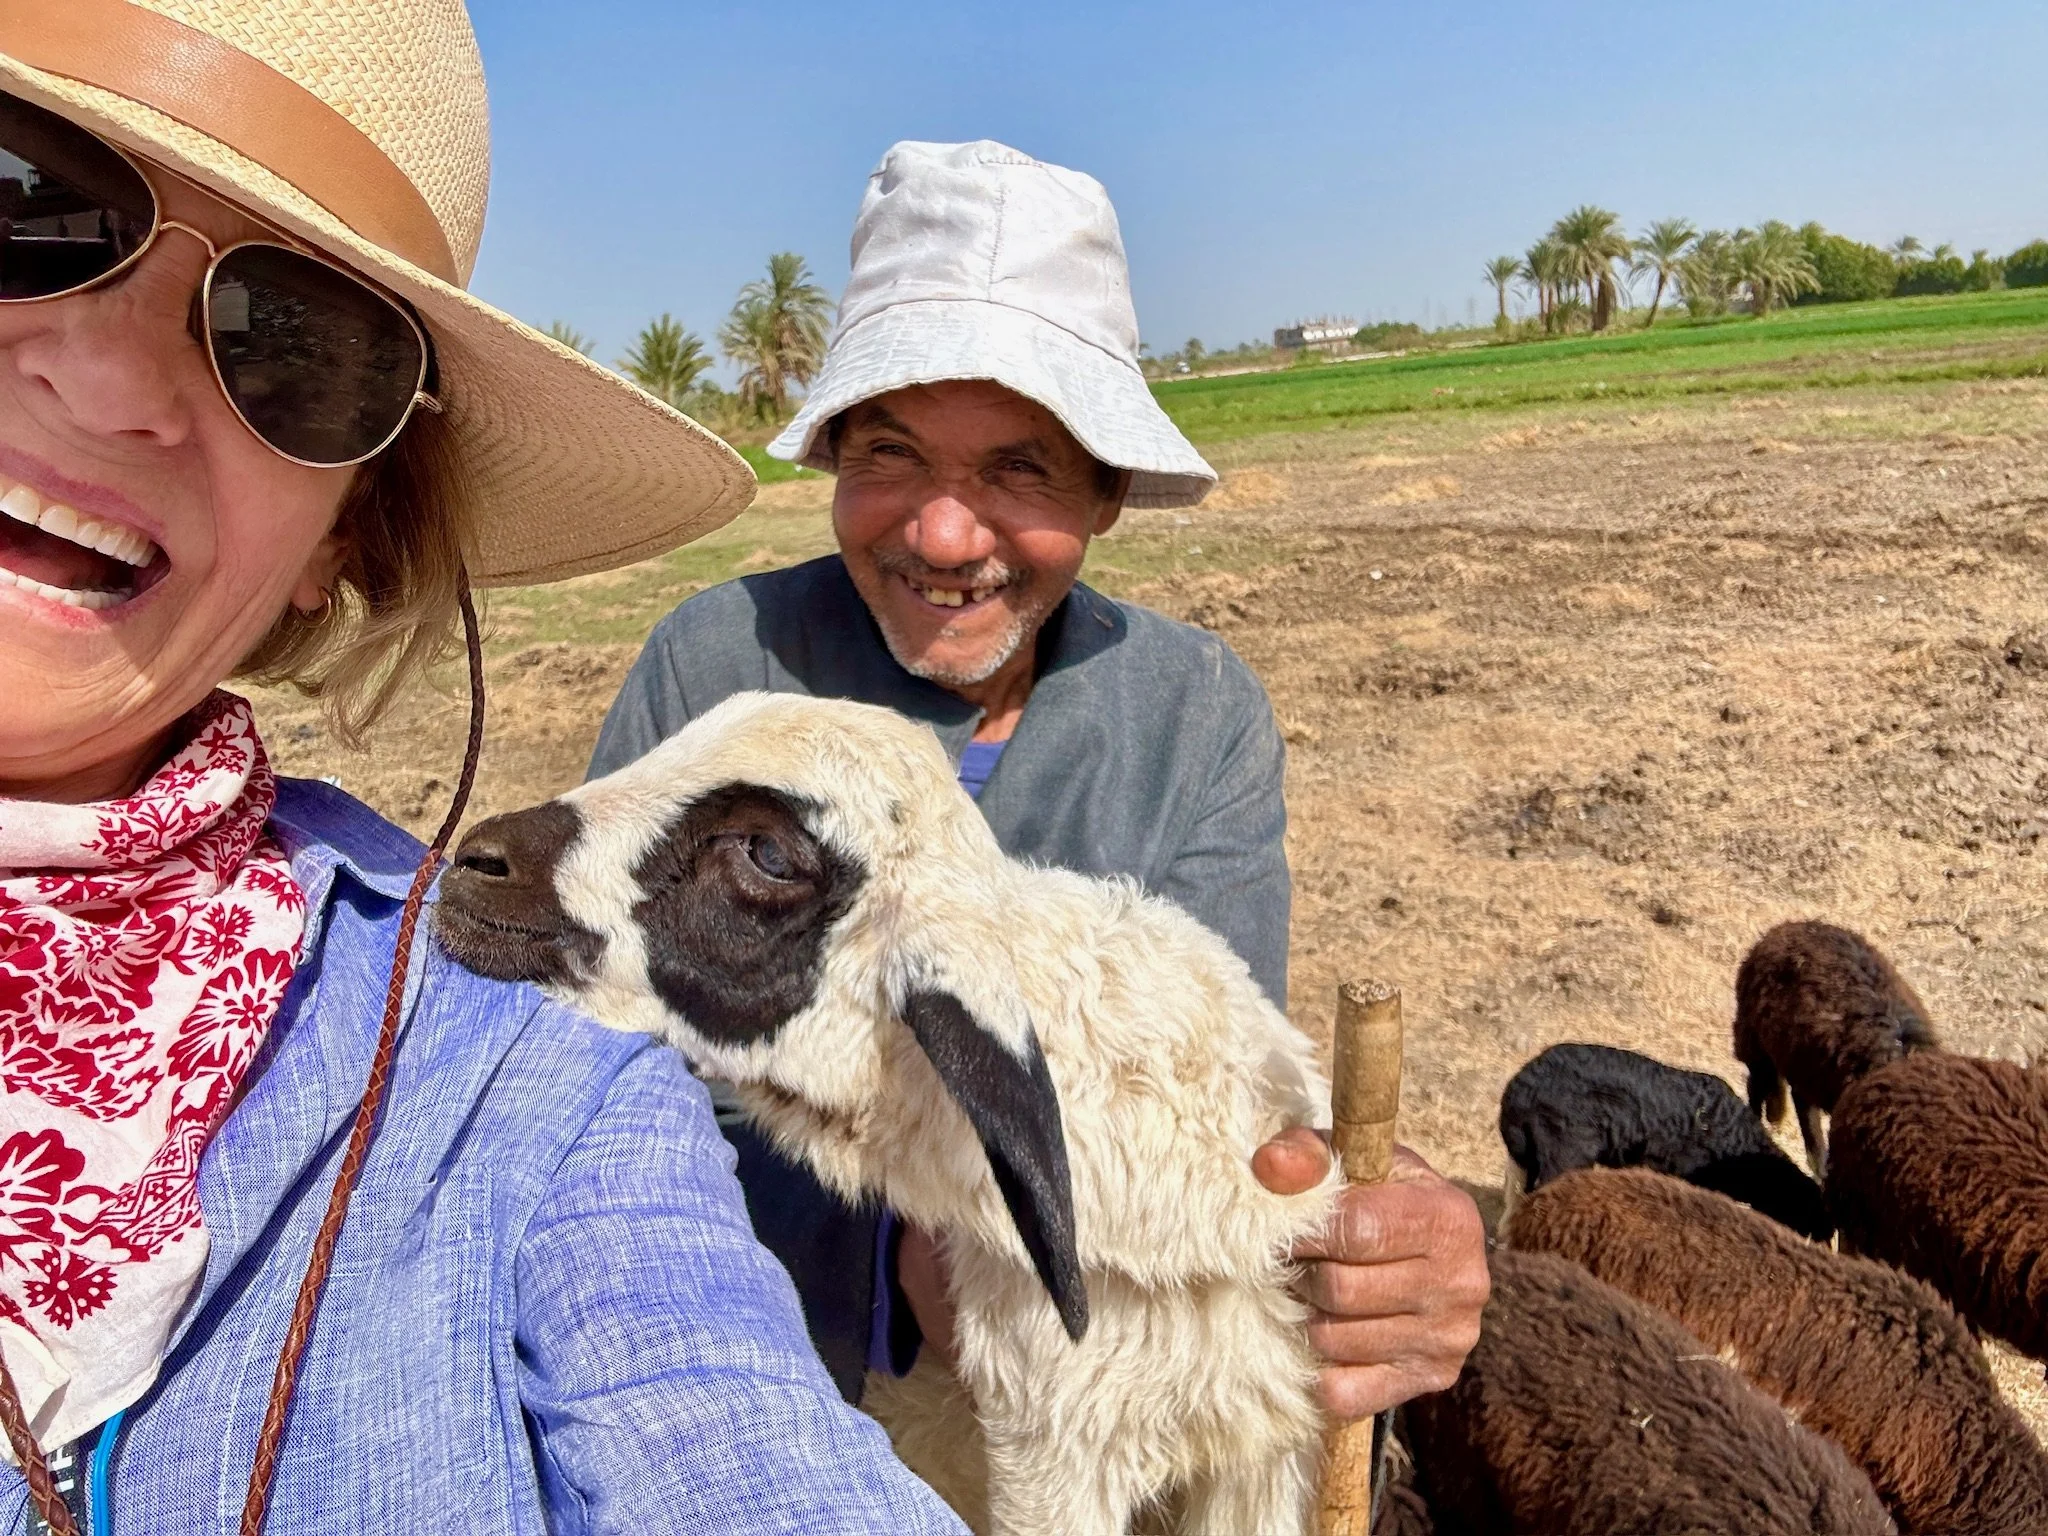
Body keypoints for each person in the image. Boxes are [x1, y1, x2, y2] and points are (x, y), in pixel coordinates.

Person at [0, 4, 963, 1532]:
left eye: (296, 348)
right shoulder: (716, 661)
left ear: (341, 542)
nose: (110, 387)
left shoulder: (514, 1081)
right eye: (22, 199)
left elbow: (722, 1429)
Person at [592, 140, 1489, 1420]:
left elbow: (1195, 1101)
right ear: (836, 451)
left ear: (1107, 492)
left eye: (1020, 469)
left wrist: (1373, 1233)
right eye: (890, 454)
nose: (942, 536)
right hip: (742, 1353)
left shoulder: (1189, 714)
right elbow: (596, 1063)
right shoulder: (719, 669)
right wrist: (908, 1238)